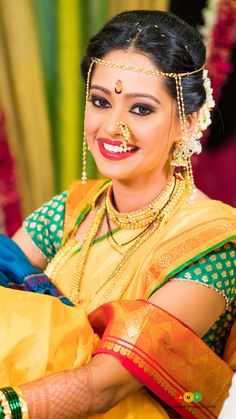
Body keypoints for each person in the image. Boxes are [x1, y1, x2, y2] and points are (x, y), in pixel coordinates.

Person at [0, 9, 236, 419]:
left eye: (140, 109)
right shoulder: (69, 213)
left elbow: (106, 385)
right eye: (100, 101)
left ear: (189, 121)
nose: (112, 127)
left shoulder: (215, 244)